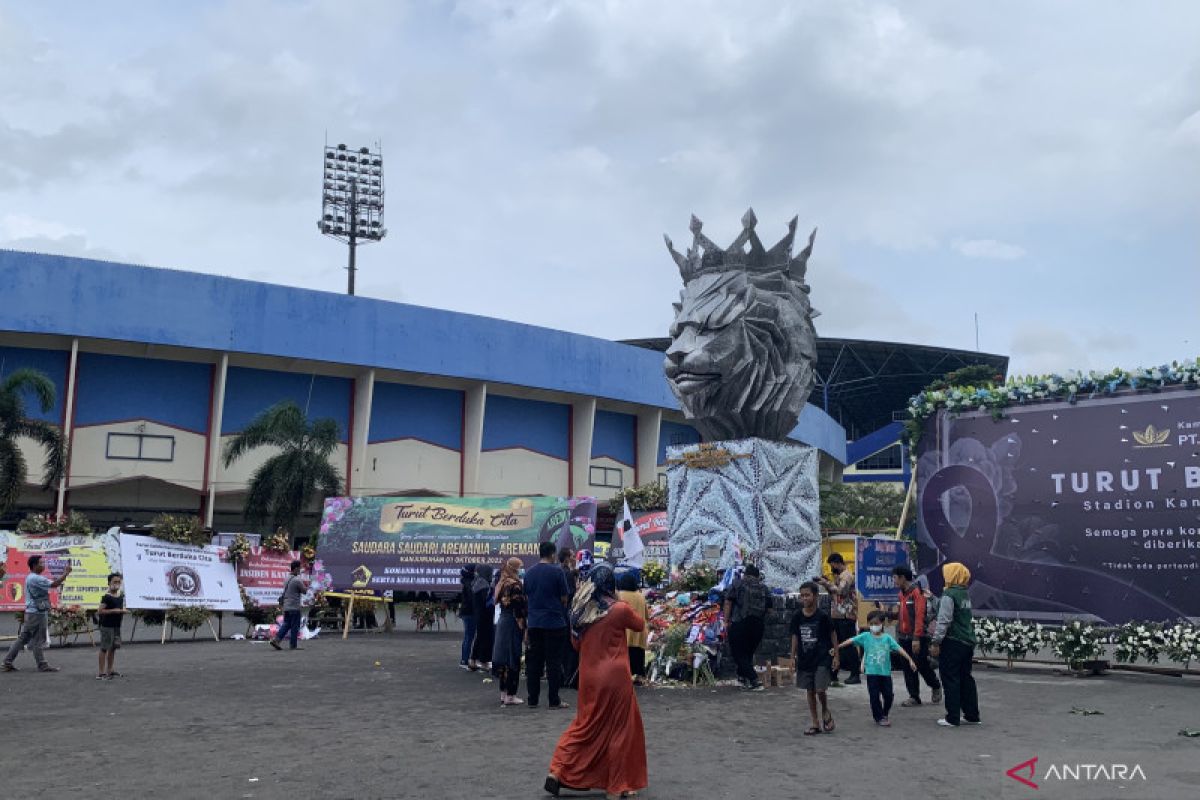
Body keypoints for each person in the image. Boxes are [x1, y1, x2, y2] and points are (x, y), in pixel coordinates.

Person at [545, 564, 647, 800]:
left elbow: (576, 645)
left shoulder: (580, 612)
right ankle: (617, 785)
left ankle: (558, 770)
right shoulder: (619, 609)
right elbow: (640, 626)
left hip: (589, 676)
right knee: (621, 729)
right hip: (616, 675)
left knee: (585, 725)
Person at [836, 609, 916, 727]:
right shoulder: (865, 636)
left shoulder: (887, 638)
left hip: (885, 673)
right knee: (874, 696)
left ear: (882, 624)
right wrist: (837, 647)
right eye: (871, 624)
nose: (874, 626)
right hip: (872, 673)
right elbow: (851, 640)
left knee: (888, 695)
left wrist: (910, 660)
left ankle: (884, 713)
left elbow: (899, 649)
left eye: (876, 624)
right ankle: (879, 717)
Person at [931, 562, 981, 728]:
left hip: (953, 642)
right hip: (967, 642)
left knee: (950, 678)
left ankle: (952, 717)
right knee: (966, 678)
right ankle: (972, 715)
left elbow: (944, 620)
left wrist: (936, 641)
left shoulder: (949, 594)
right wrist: (932, 598)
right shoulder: (963, 593)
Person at [3, 555, 72, 673]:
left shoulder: (31, 577)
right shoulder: (36, 578)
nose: (43, 565)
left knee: (24, 638)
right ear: (34, 566)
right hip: (37, 614)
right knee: (38, 639)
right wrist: (65, 573)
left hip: (32, 612)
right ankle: (42, 665)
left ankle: (7, 662)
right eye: (41, 563)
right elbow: (55, 584)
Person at [524, 541, 571, 709]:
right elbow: (564, 598)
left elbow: (527, 597)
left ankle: (532, 699)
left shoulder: (529, 573)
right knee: (553, 662)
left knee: (534, 663)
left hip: (535, 622)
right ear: (552, 554)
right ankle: (553, 699)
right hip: (554, 623)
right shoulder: (557, 572)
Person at [790, 581, 838, 735]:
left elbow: (833, 634)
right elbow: (795, 636)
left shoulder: (822, 616)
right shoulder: (797, 616)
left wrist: (836, 655)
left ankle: (825, 710)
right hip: (805, 659)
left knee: (820, 689)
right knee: (809, 691)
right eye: (802, 595)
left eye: (807, 595)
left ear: (815, 596)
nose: (804, 598)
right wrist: (792, 657)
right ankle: (815, 723)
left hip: (822, 658)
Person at [892, 565, 942, 707]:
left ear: (902, 578)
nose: (894, 581)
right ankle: (914, 696)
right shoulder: (901, 594)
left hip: (917, 637)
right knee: (907, 667)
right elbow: (902, 614)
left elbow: (919, 616)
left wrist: (916, 638)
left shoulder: (916, 593)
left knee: (921, 665)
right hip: (903, 637)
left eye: (895, 578)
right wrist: (887, 615)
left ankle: (935, 685)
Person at [723, 563, 772, 691]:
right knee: (748, 653)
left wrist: (726, 620)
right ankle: (743, 679)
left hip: (740, 622)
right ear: (757, 576)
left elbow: (728, 602)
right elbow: (770, 610)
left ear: (745, 574)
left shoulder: (737, 584)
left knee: (738, 653)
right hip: (758, 625)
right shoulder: (764, 588)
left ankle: (754, 680)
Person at [816, 553, 860, 685]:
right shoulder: (838, 577)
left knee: (848, 646)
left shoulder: (847, 575)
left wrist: (827, 583)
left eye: (832, 565)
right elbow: (833, 592)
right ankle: (833, 673)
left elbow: (841, 591)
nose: (831, 568)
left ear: (837, 562)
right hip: (837, 614)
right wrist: (826, 584)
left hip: (846, 615)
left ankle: (855, 674)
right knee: (835, 645)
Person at [492, 557, 528, 706]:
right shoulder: (515, 585)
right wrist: (522, 625)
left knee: (503, 656)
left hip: (503, 621)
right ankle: (511, 695)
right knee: (513, 657)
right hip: (513, 622)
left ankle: (503, 693)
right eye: (519, 567)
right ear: (514, 569)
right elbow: (518, 607)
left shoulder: (501, 582)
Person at [616, 571, 649, 684]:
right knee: (639, 654)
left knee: (625, 655)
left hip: (625, 631)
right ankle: (639, 677)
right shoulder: (640, 596)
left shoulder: (619, 595)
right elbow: (646, 615)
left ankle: (625, 675)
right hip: (639, 631)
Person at [270, 560, 309, 651]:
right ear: (295, 568)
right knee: (295, 626)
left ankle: (276, 640)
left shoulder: (287, 578)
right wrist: (307, 585)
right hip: (294, 606)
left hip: (286, 606)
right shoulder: (297, 580)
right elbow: (304, 591)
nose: (300, 570)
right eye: (299, 568)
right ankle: (293, 645)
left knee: (286, 624)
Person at [95, 572, 127, 680]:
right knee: (104, 648)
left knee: (113, 648)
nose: (117, 584)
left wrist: (122, 611)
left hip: (116, 626)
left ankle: (110, 670)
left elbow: (120, 610)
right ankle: (101, 673)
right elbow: (100, 611)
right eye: (115, 582)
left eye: (119, 582)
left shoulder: (120, 596)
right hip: (107, 626)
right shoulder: (106, 597)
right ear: (109, 583)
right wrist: (114, 610)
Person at [469, 564, 495, 670]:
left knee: (480, 637)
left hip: (479, 614)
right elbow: (487, 601)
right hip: (485, 615)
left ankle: (473, 660)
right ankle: (482, 661)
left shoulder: (476, 582)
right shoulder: (484, 585)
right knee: (484, 638)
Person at [458, 564, 478, 670]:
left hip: (467, 612)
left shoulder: (467, 582)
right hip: (470, 613)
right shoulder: (470, 583)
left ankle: (465, 659)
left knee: (468, 637)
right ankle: (464, 660)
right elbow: (473, 599)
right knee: (469, 637)